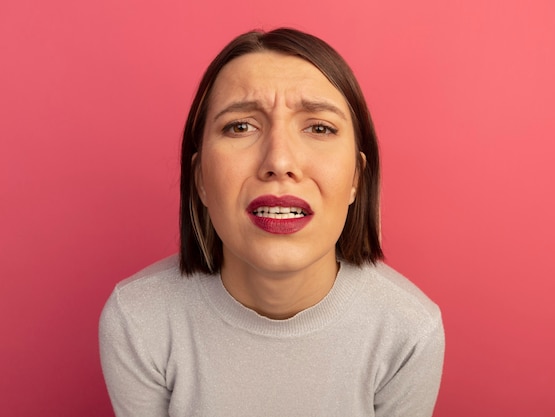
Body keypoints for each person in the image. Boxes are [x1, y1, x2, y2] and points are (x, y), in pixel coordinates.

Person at [99, 27, 444, 417]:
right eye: (240, 126)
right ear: (200, 181)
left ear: (355, 180)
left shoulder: (410, 332)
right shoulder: (137, 321)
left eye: (319, 128)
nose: (279, 162)